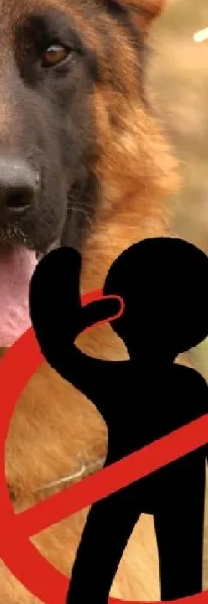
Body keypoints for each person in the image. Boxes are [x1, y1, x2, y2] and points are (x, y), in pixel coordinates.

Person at [29, 237, 208, 602]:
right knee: (179, 581)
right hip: (174, 487)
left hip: (123, 485)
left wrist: (89, 314)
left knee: (93, 574)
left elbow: (61, 355)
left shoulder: (118, 380)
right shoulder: (189, 384)